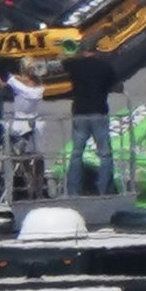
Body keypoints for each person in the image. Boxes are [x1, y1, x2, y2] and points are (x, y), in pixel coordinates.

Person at [62, 39, 123, 196]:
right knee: (104, 153)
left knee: (76, 153)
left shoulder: (75, 66)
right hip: (99, 112)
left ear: (83, 51)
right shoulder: (104, 67)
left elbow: (63, 61)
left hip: (80, 113)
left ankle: (73, 190)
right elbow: (118, 86)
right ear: (95, 50)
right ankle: (103, 189)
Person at [0, 57, 46, 197]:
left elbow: (10, 83)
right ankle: (37, 187)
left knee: (22, 156)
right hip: (37, 123)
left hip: (20, 125)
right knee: (39, 157)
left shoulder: (18, 84)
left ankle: (25, 185)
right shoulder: (38, 87)